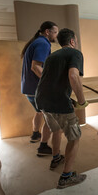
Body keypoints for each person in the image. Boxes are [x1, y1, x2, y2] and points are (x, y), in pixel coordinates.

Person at [35, 28, 88, 189]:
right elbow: (73, 76)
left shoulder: (52, 56)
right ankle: (66, 177)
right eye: (76, 40)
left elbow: (49, 79)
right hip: (58, 102)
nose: (76, 43)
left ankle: (56, 157)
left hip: (42, 101)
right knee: (74, 137)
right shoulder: (75, 53)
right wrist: (81, 101)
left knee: (56, 130)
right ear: (72, 41)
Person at [21, 21, 58, 156]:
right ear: (47, 32)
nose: (56, 35)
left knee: (39, 111)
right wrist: (50, 83)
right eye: (55, 32)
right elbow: (35, 66)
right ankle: (43, 147)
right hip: (36, 88)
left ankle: (35, 135)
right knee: (50, 117)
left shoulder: (35, 42)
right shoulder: (43, 43)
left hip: (28, 88)